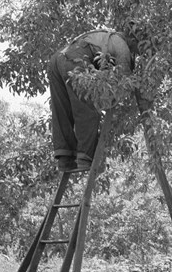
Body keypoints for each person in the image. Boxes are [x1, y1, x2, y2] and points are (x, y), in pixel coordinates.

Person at [48, 29, 136, 172]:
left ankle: (65, 158)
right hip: (74, 59)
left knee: (62, 110)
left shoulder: (103, 36)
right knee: (88, 109)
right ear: (133, 39)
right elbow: (124, 81)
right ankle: (85, 157)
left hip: (56, 60)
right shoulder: (122, 46)